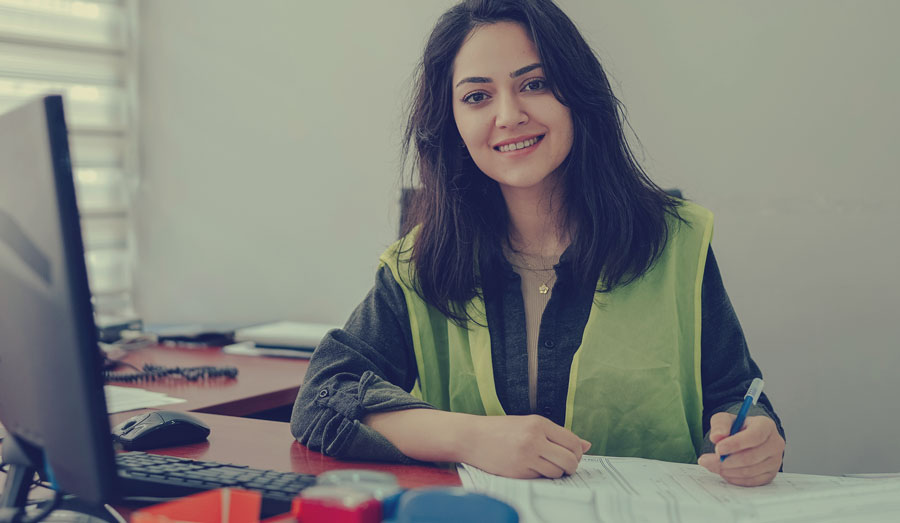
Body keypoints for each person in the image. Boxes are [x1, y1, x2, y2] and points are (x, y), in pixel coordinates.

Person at [291, 0, 785, 486]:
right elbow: (322, 398)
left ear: (577, 94)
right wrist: (471, 437)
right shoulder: (420, 262)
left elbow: (735, 396)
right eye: (477, 96)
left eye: (535, 84)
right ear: (452, 122)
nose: (508, 115)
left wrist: (757, 440)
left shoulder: (677, 241)